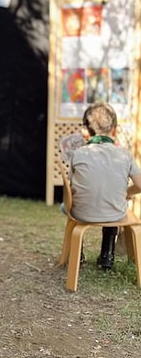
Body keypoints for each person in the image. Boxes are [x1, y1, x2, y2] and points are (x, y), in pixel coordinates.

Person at [70, 102, 141, 269]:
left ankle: (77, 253)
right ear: (114, 130)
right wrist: (126, 192)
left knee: (64, 207)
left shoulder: (78, 154)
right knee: (115, 206)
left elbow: (72, 187)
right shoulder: (125, 155)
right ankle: (106, 256)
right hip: (114, 214)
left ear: (85, 132)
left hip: (81, 213)